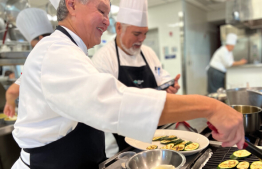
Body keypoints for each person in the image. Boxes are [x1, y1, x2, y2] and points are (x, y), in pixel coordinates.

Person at [11, 0, 244, 168]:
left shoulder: (72, 51)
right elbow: (112, 104)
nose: (106, 20)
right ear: (71, 5)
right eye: (101, 9)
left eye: (108, 12)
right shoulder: (56, 52)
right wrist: (210, 107)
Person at [92, 0, 180, 157]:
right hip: (122, 144)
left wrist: (170, 87)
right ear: (119, 28)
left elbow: (162, 78)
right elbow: (106, 109)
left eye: (145, 33)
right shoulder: (103, 59)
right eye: (137, 34)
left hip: (156, 136)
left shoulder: (148, 53)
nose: (142, 39)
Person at [4, 8, 53, 118]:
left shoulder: (40, 56)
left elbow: (12, 91)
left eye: (33, 44)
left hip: (40, 124)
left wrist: (10, 102)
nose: (34, 49)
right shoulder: (65, 51)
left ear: (40, 39)